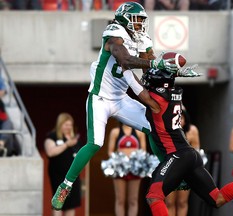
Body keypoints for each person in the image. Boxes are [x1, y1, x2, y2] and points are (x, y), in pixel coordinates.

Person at [51, 1, 180, 210]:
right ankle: (66, 186)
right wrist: (155, 64)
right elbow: (125, 59)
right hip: (100, 97)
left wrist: (170, 72)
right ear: (125, 19)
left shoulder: (142, 39)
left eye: (142, 21)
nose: (140, 25)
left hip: (120, 97)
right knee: (95, 143)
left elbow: (150, 71)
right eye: (137, 20)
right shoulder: (114, 32)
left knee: (153, 127)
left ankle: (170, 172)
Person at [140, 68, 233, 216]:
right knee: (217, 199)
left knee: (154, 196)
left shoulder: (157, 99)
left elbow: (138, 88)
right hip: (191, 156)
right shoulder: (172, 95)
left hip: (177, 155)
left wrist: (123, 67)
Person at [45, 113, 82, 216]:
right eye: (66, 125)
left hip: (73, 177)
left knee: (71, 203)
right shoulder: (53, 137)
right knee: (59, 202)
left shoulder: (75, 139)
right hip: (59, 176)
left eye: (70, 125)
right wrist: (66, 144)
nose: (68, 127)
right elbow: (50, 152)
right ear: (60, 124)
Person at [165, 109, 200, 216]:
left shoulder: (192, 131)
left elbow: (196, 152)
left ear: (185, 119)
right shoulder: (166, 130)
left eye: (181, 117)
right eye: (176, 117)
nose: (178, 120)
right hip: (169, 170)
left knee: (182, 202)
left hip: (186, 172)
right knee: (169, 202)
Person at [108, 123, 146, 216]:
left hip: (134, 168)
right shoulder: (115, 132)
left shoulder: (139, 132)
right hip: (120, 168)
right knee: (120, 199)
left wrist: (135, 159)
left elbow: (143, 151)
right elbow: (110, 151)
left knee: (133, 199)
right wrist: (120, 160)